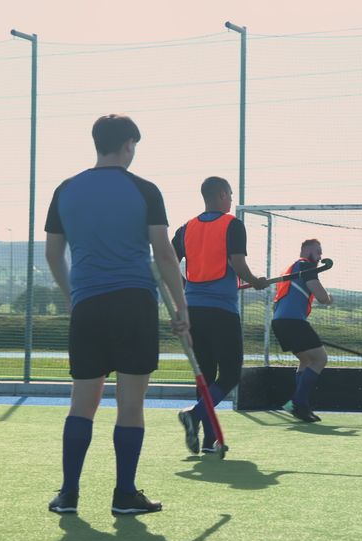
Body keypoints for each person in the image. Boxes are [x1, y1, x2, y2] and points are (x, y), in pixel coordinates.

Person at [44, 114, 190, 515]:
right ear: (128, 144)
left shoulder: (65, 190)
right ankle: (124, 495)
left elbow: (53, 254)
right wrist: (182, 309)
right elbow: (164, 254)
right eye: (134, 146)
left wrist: (73, 294)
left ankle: (68, 495)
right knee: (130, 405)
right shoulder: (144, 189)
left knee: (82, 403)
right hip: (133, 306)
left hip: (87, 307)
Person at [172, 176, 269, 455]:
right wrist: (257, 281)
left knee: (205, 377)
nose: (230, 200)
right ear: (221, 195)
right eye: (229, 195)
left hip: (194, 312)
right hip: (222, 311)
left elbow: (168, 262)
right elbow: (238, 265)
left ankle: (208, 441)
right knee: (228, 375)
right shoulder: (232, 225)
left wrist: (185, 288)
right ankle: (194, 415)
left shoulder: (185, 228)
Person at [271, 239, 333, 422]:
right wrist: (330, 298)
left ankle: (300, 406)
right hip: (293, 321)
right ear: (307, 252)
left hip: (280, 322)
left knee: (306, 360)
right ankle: (298, 402)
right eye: (318, 252)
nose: (320, 256)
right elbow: (322, 297)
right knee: (321, 359)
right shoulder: (306, 266)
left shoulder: (293, 268)